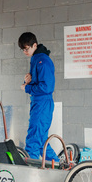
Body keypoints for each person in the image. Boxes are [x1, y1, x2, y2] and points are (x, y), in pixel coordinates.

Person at [18, 32, 59, 161]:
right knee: (42, 143)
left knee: (33, 141)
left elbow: (47, 87)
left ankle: (30, 175)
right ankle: (61, 168)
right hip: (40, 103)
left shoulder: (42, 61)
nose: (25, 51)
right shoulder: (37, 59)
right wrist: (29, 81)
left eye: (26, 48)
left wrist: (27, 87)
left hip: (42, 104)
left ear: (34, 45)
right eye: (22, 49)